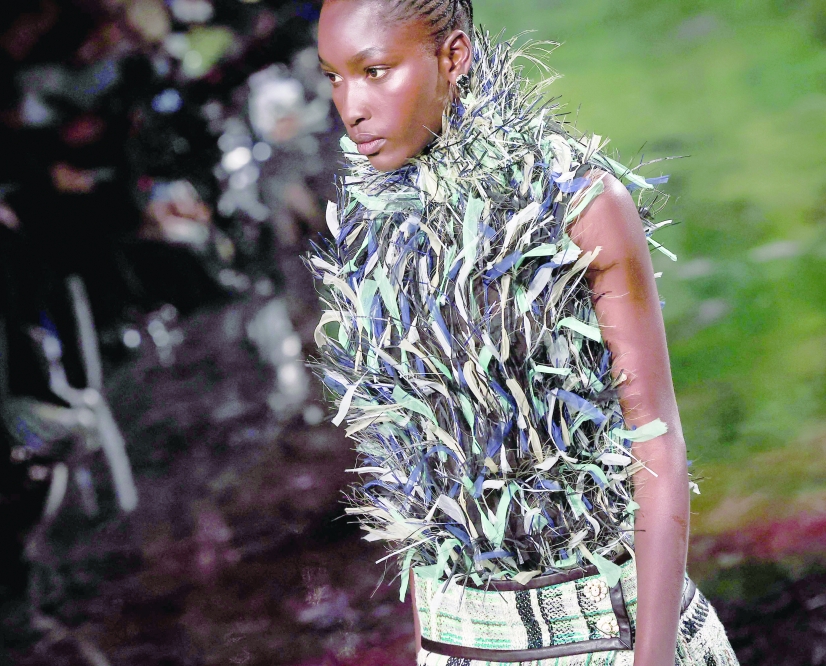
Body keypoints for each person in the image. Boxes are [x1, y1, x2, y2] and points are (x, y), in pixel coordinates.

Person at [308, 1, 740, 665]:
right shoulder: (376, 240)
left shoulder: (578, 204)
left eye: (375, 71)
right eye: (333, 77)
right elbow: (422, 477)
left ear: (453, 57)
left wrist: (651, 659)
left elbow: (656, 441)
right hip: (462, 640)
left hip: (605, 631)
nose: (350, 106)